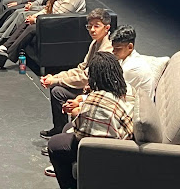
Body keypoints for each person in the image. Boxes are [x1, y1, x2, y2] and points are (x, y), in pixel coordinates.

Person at [47, 51, 134, 189]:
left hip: (103, 150)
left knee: (54, 145)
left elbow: (82, 135)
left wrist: (77, 112)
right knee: (66, 128)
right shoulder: (127, 89)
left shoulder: (96, 99)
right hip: (124, 143)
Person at [39, 8, 113, 138]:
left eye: (97, 26)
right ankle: (59, 129)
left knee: (57, 91)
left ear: (107, 28)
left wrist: (55, 81)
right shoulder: (95, 43)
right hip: (89, 85)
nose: (92, 30)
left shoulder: (106, 48)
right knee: (56, 90)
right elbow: (81, 68)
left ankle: (66, 133)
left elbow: (86, 77)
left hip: (98, 91)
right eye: (89, 27)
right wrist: (55, 77)